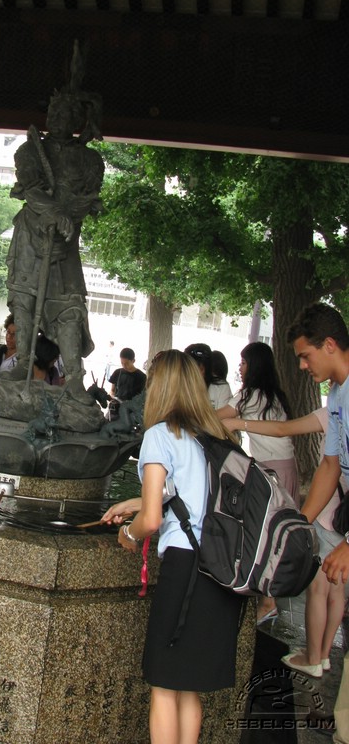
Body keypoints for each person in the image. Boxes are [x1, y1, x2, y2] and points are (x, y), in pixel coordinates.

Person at [101, 350, 244, 744]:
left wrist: (129, 534)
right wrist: (135, 505)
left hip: (185, 567)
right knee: (188, 687)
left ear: (160, 388)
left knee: (164, 683)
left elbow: (151, 520)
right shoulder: (217, 435)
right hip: (220, 567)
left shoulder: (160, 436)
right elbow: (184, 496)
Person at [4, 59, 104, 399]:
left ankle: (74, 374)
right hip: (32, 232)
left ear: (78, 120)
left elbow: (87, 197)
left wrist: (69, 223)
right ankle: (23, 362)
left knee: (70, 305)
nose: (57, 120)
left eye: (66, 115)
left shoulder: (90, 161)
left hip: (65, 239)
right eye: (53, 113)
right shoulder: (30, 150)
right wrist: (53, 214)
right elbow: (30, 189)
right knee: (24, 299)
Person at [224, 407, 344, 677]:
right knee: (336, 588)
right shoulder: (338, 404)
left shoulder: (334, 410)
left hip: (326, 515)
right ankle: (324, 656)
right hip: (343, 520)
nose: (302, 365)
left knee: (318, 589)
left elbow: (282, 430)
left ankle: (312, 657)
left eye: (304, 359)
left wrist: (234, 422)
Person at [285, 303, 349, 743]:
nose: (303, 366)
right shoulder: (337, 394)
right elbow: (329, 466)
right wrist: (298, 524)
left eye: (306, 356)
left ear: (330, 344)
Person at [217, 341, 298, 622]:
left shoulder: (248, 395)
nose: (240, 367)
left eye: (243, 362)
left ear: (254, 365)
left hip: (272, 469)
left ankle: (268, 599)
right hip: (288, 465)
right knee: (277, 528)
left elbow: (216, 418)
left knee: (267, 530)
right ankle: (270, 594)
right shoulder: (274, 394)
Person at [185, 343, 233, 410]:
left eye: (203, 368)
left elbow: (222, 418)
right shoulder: (179, 386)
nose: (202, 373)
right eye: (196, 368)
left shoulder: (221, 388)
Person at [107, 348, 146, 419]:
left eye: (127, 363)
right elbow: (112, 390)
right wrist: (113, 397)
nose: (124, 366)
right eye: (122, 363)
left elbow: (142, 397)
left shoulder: (142, 376)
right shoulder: (117, 372)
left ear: (133, 361)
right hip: (116, 408)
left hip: (132, 411)